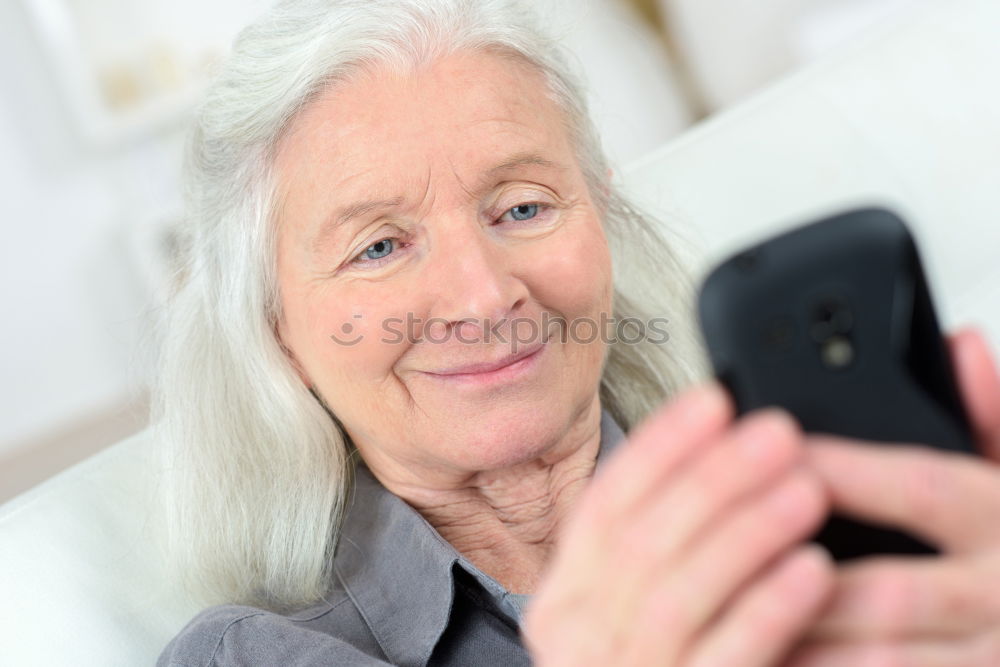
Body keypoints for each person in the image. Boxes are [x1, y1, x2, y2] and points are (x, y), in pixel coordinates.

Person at [155, 0, 1000, 664]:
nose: (483, 296)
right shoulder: (252, 656)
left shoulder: (834, 500)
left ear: (601, 212)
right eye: (378, 246)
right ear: (281, 335)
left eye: (522, 206)